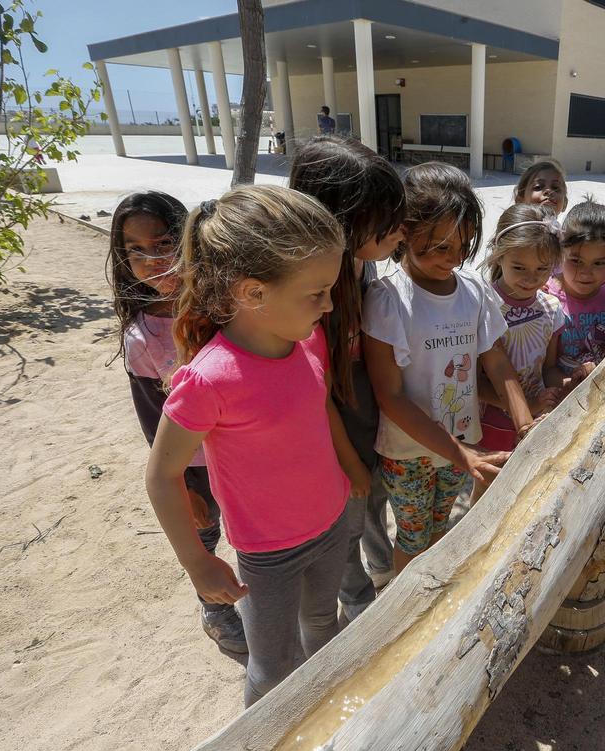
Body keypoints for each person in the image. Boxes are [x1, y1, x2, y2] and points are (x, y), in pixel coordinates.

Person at [144, 185, 353, 707]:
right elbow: (161, 475)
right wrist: (197, 562)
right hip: (269, 554)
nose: (329, 305)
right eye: (317, 292)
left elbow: (315, 416)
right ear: (254, 293)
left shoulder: (306, 342)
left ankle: (323, 718)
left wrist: (348, 475)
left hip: (331, 524)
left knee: (323, 625)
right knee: (272, 664)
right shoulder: (209, 380)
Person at [363, 163, 535, 574]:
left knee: (442, 531)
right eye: (439, 246)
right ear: (405, 230)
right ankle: (404, 606)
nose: (453, 257)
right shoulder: (387, 300)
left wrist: (525, 422)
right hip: (409, 452)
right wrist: (462, 456)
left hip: (465, 441)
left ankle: (432, 598)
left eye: (463, 245)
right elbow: (390, 396)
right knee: (413, 536)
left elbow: (494, 359)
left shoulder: (474, 290)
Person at [106, 190, 247, 655]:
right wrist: (184, 484)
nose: (153, 261)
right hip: (196, 467)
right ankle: (215, 609)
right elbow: (155, 424)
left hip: (244, 452)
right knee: (202, 537)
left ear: (189, 240)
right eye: (136, 251)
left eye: (165, 243)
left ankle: (260, 598)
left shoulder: (223, 307)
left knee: (251, 534)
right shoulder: (141, 338)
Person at [289, 135, 407, 615]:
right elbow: (313, 399)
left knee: (373, 502)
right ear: (342, 220)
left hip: (365, 419)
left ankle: (381, 572)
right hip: (330, 437)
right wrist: (349, 461)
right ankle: (357, 605)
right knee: (345, 524)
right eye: (384, 220)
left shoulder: (360, 265)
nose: (399, 229)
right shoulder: (308, 292)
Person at [478, 203, 567, 461]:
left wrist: (567, 385)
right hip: (491, 421)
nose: (531, 278)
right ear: (498, 254)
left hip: (539, 418)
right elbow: (474, 382)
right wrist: (527, 406)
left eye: (542, 269)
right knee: (488, 487)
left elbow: (548, 368)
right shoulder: (483, 305)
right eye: (519, 268)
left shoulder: (551, 308)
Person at [546, 199, 605, 385]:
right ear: (561, 253)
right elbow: (547, 370)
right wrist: (572, 384)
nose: (586, 272)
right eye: (576, 261)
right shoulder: (548, 300)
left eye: (599, 263)